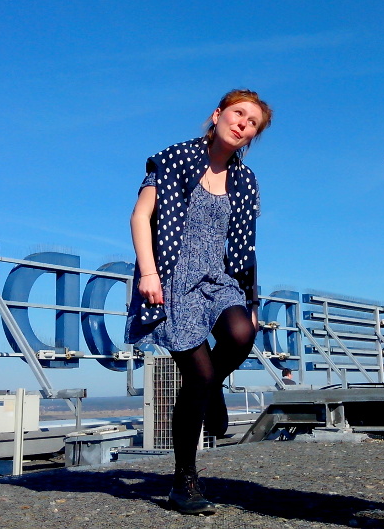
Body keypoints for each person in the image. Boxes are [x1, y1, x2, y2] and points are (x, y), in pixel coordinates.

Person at [124, 88, 273, 515]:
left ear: (250, 138)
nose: (243, 123)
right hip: (173, 278)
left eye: (252, 124)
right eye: (237, 113)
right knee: (199, 376)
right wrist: (149, 275)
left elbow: (247, 246)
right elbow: (140, 216)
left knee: (242, 333)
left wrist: (254, 302)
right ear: (217, 114)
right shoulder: (174, 158)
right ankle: (184, 481)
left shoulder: (245, 182)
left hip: (220, 278)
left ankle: (211, 390)